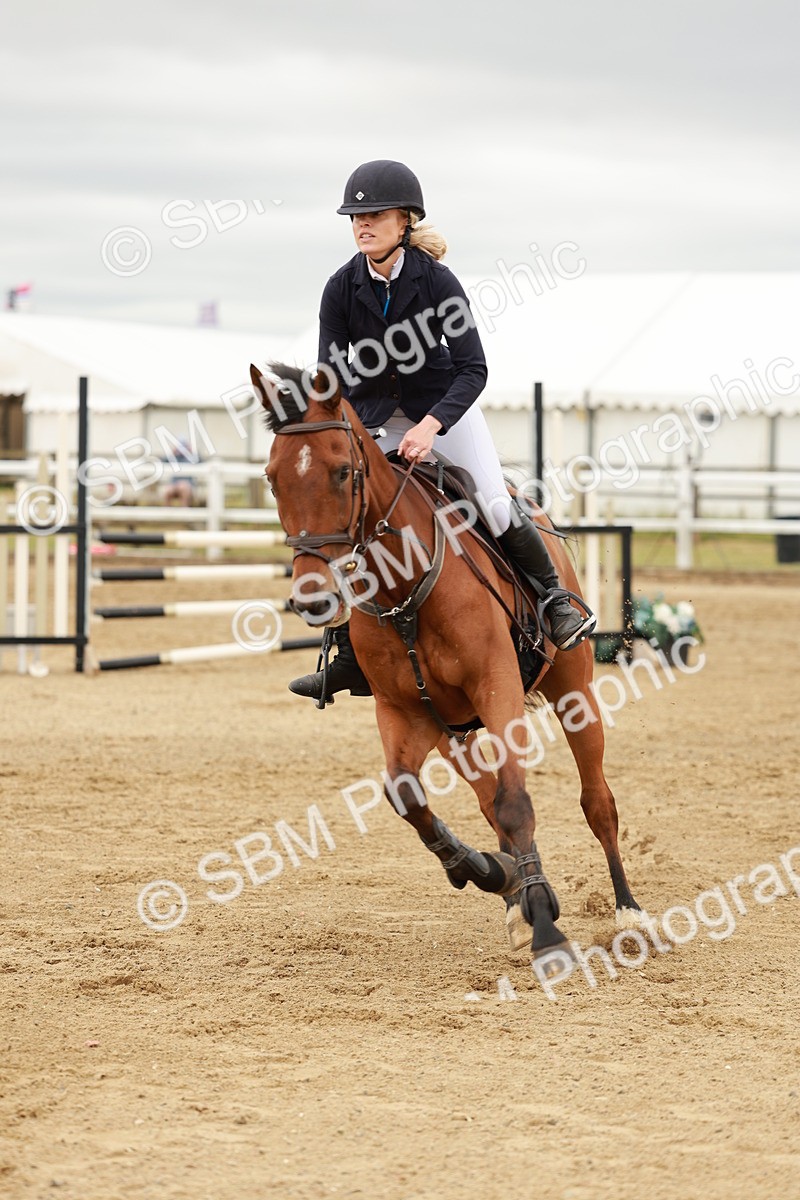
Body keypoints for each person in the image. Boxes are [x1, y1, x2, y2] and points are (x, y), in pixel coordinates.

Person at [289, 159, 595, 703]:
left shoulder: (437, 281)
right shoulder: (340, 288)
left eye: (374, 215)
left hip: (445, 412)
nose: (362, 224)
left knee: (494, 505)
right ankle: (349, 654)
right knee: (354, 519)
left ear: (405, 220)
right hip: (376, 421)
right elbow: (330, 377)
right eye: (356, 217)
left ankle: (555, 601)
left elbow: (473, 368)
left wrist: (431, 425)